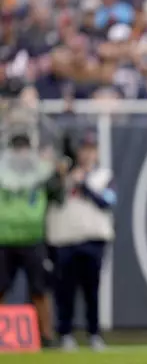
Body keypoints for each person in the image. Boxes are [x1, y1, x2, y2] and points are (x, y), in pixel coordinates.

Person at [46, 133, 116, 351]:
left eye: (91, 149)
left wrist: (83, 183)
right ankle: (65, 333)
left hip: (93, 240)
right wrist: (61, 175)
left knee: (91, 291)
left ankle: (94, 333)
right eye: (83, 150)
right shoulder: (62, 175)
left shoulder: (105, 175)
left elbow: (107, 201)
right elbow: (51, 196)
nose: (87, 154)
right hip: (65, 239)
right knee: (65, 291)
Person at [0, 133, 56, 347]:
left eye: (24, 148)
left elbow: (58, 190)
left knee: (39, 289)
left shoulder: (41, 172)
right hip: (4, 238)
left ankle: (47, 336)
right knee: (0, 289)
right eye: (17, 148)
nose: (20, 153)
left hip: (33, 238)